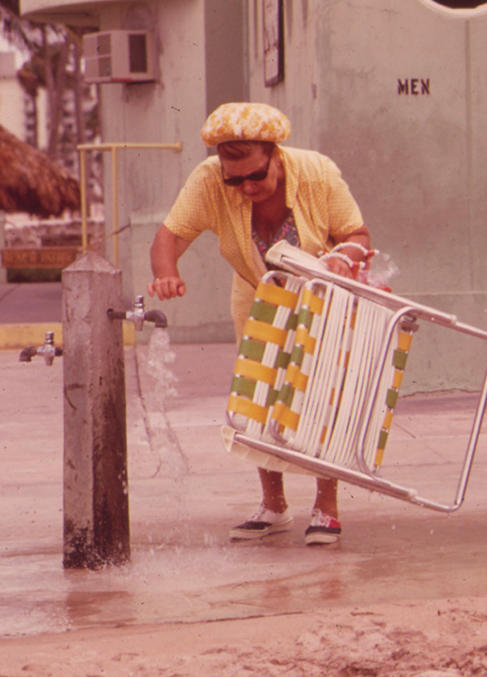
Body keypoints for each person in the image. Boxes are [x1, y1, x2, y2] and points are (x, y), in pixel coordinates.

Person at [149, 102, 371, 546]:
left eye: (256, 175)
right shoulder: (210, 180)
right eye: (236, 179)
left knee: (318, 393)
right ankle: (274, 505)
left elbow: (358, 235)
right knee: (258, 392)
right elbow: (169, 235)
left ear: (276, 156)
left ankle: (326, 508)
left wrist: (341, 259)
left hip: (322, 289)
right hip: (256, 288)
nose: (246, 186)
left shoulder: (317, 172)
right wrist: (166, 273)